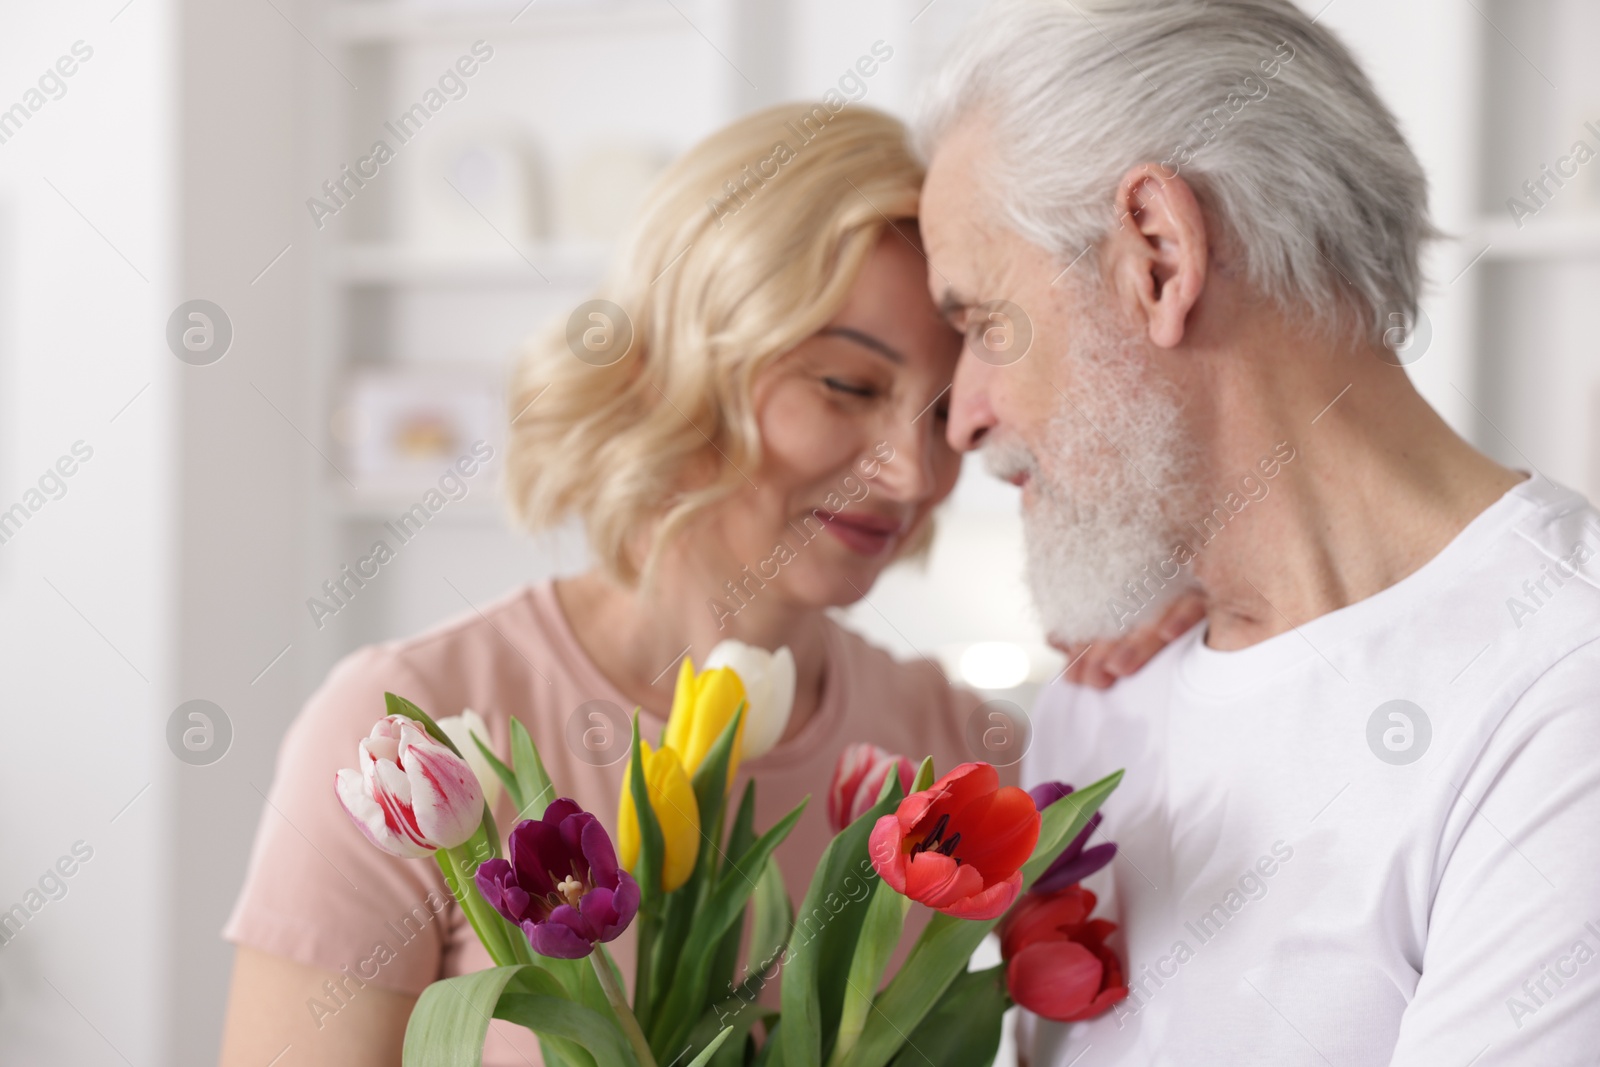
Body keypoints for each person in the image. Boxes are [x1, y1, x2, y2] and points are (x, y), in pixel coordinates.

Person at [217, 102, 1194, 1067]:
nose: (910, 472)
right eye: (847, 386)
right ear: (685, 362)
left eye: (941, 414)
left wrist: (1171, 635)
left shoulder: (944, 744)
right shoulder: (414, 734)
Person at [918, 0, 1600, 1063]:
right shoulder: (1102, 699)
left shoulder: (1561, 685)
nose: (962, 417)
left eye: (980, 325)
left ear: (1155, 252)